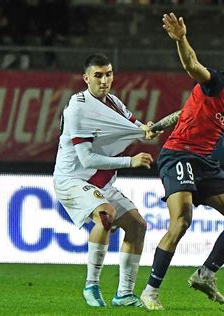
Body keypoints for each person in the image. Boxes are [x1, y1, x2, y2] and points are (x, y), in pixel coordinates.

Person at [140, 13, 224, 310]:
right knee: (181, 220)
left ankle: (206, 274)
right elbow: (192, 65)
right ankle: (150, 291)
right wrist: (181, 38)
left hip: (205, 163)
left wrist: (156, 125)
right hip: (179, 154)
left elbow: (184, 114)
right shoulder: (217, 83)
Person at [53, 53, 160, 308]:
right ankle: (91, 285)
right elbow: (87, 159)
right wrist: (130, 161)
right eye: (98, 75)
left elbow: (136, 127)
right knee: (105, 215)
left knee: (137, 226)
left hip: (101, 184)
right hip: (71, 180)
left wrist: (148, 128)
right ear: (86, 78)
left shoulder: (114, 102)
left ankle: (123, 294)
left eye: (108, 74)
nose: (104, 80)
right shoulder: (78, 108)